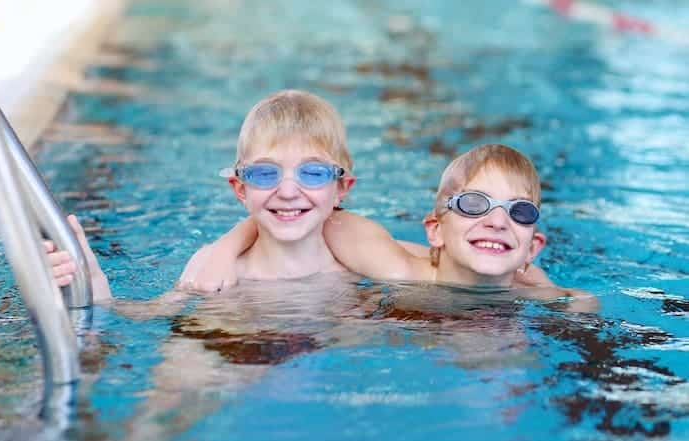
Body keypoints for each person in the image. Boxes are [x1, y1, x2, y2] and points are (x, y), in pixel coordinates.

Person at [45, 89, 357, 300]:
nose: (288, 192)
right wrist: (95, 284)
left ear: (341, 189)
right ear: (240, 189)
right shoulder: (214, 274)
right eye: (265, 173)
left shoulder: (360, 273)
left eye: (313, 173)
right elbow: (142, 320)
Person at [197, 143, 592, 306]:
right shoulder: (399, 271)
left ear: (533, 246)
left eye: (519, 211)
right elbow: (315, 216)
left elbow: (577, 300)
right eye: (474, 204)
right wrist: (224, 249)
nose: (498, 221)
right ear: (435, 229)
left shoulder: (536, 297)